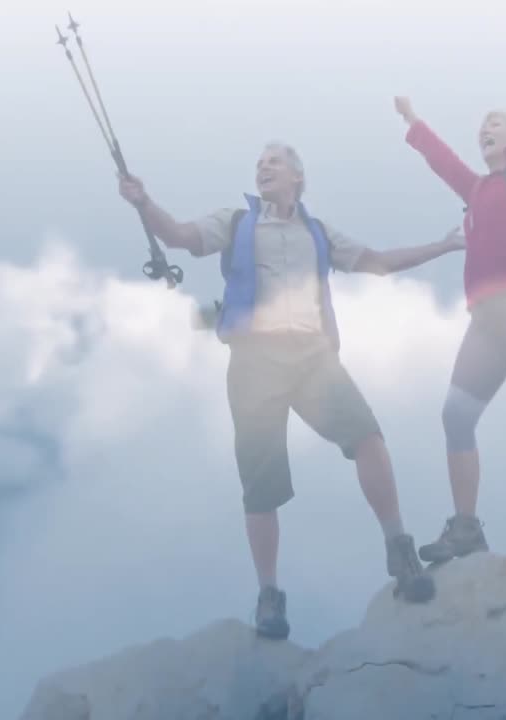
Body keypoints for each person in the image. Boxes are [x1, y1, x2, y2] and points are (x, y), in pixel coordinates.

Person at [118, 141, 462, 639]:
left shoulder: (318, 232)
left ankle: (399, 550)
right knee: (261, 486)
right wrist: (143, 203)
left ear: (298, 178)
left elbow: (379, 262)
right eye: (258, 163)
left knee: (368, 436)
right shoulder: (236, 221)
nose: (262, 168)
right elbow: (178, 237)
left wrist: (444, 245)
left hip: (311, 358)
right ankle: (269, 596)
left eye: (273, 163)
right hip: (254, 361)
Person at [394, 0, 506, 564]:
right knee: (455, 416)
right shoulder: (477, 189)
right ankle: (467, 528)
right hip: (489, 322)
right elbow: (446, 163)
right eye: (481, 130)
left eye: (494, 125)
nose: (485, 132)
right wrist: (415, 125)